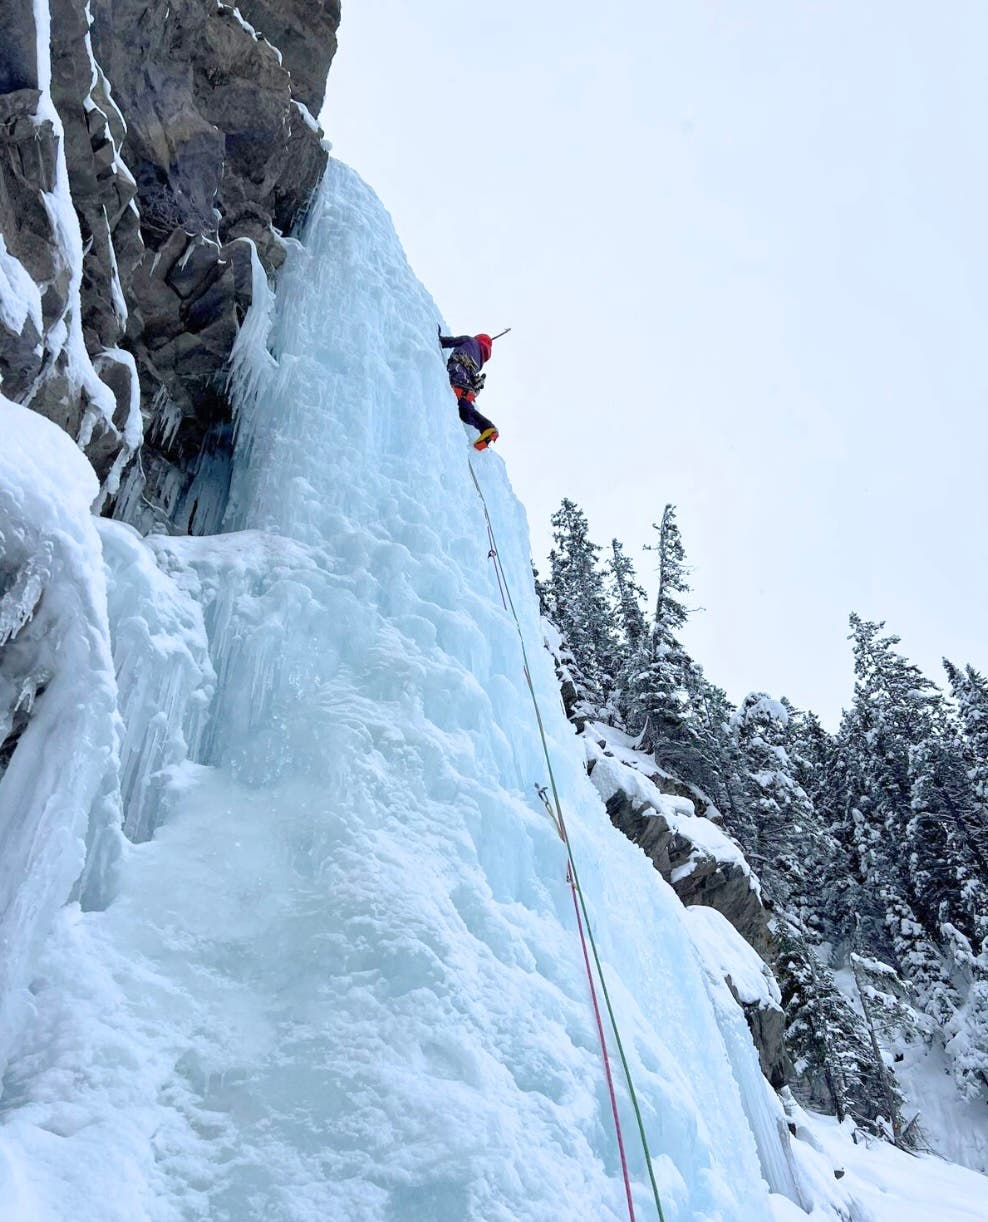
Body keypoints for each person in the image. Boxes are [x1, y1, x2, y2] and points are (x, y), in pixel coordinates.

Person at [438, 328, 499, 450]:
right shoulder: (480, 362)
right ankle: (486, 427)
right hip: (467, 382)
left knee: (457, 392)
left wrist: (436, 333)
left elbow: (445, 342)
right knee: (465, 411)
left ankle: (462, 393)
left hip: (458, 369)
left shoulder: (470, 340)